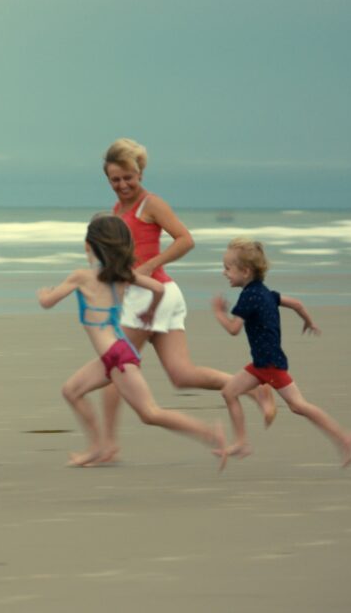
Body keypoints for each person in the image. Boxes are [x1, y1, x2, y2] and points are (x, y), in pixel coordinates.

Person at [96, 138, 274, 463]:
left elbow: (186, 239)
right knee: (182, 375)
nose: (122, 185)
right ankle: (254, 387)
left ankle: (107, 445)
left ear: (140, 173)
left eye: (128, 177)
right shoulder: (117, 210)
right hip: (153, 294)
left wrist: (150, 265)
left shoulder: (151, 204)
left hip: (155, 293)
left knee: (116, 366)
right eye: (115, 180)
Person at [38, 214, 228, 469]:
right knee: (71, 391)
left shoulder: (81, 276)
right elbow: (159, 289)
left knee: (150, 413)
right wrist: (151, 311)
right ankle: (97, 447)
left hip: (118, 357)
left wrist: (44, 295)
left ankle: (210, 433)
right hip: (113, 356)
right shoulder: (123, 275)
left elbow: (48, 303)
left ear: (90, 245)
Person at [212, 238, 351, 467]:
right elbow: (297, 303)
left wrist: (219, 312)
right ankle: (241, 442)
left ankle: (343, 437)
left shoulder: (248, 296)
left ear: (246, 271)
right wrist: (308, 321)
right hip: (262, 363)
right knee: (229, 392)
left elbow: (233, 329)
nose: (224, 273)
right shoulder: (266, 293)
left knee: (299, 406)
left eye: (228, 268)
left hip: (268, 366)